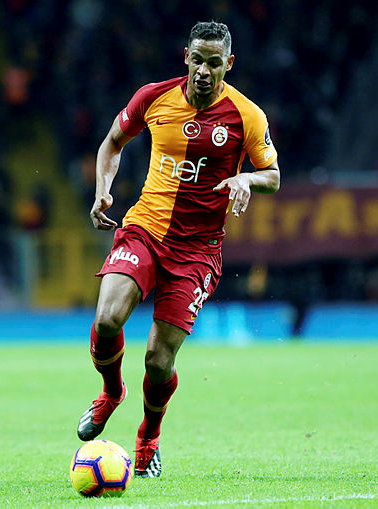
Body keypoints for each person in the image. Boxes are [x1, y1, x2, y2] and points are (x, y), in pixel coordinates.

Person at [77, 21, 280, 477]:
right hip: (145, 229)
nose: (204, 71)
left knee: (158, 360)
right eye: (198, 60)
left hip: (197, 252)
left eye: (214, 63)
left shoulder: (247, 116)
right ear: (186, 56)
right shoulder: (153, 97)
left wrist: (246, 178)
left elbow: (273, 175)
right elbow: (112, 143)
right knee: (107, 320)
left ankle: (149, 435)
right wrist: (103, 190)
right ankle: (111, 392)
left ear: (229, 64)